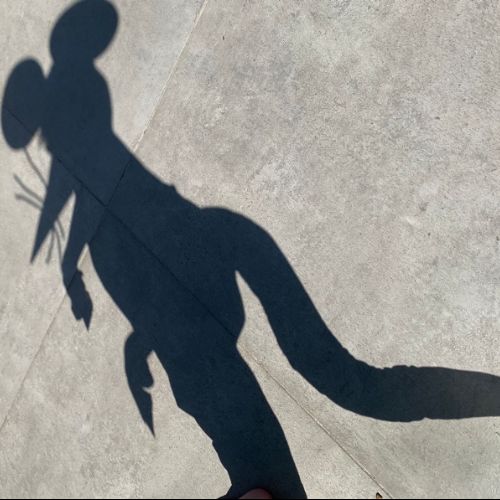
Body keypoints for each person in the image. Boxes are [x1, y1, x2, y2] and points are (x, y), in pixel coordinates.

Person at [3, 1, 500, 498]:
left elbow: (75, 186)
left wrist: (71, 268)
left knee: (342, 387)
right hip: (211, 250)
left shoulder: (77, 99)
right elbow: (71, 188)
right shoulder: (74, 108)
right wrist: (72, 268)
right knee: (347, 382)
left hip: (201, 269)